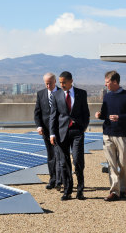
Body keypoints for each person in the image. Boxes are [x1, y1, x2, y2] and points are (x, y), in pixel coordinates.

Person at [95, 70, 126, 201]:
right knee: (111, 164)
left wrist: (120, 117)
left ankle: (123, 190)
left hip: (122, 135)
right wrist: (99, 115)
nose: (105, 85)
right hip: (107, 134)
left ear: (115, 82)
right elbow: (104, 114)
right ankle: (114, 192)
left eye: (107, 82)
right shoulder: (107, 97)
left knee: (123, 163)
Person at [50, 71, 90, 201]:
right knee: (64, 163)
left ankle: (80, 191)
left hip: (77, 132)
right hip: (62, 133)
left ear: (71, 81)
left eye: (64, 82)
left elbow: (86, 113)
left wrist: (83, 127)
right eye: (60, 82)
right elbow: (53, 116)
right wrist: (52, 133)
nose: (62, 85)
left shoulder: (81, 93)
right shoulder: (56, 95)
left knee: (78, 160)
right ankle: (67, 191)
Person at [34, 72, 62, 190]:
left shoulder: (62, 93)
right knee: (51, 156)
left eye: (50, 83)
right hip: (46, 130)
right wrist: (39, 126)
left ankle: (60, 180)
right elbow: (37, 113)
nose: (48, 86)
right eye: (46, 84)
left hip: (60, 130)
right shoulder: (41, 94)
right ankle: (53, 180)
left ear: (55, 82)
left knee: (60, 156)